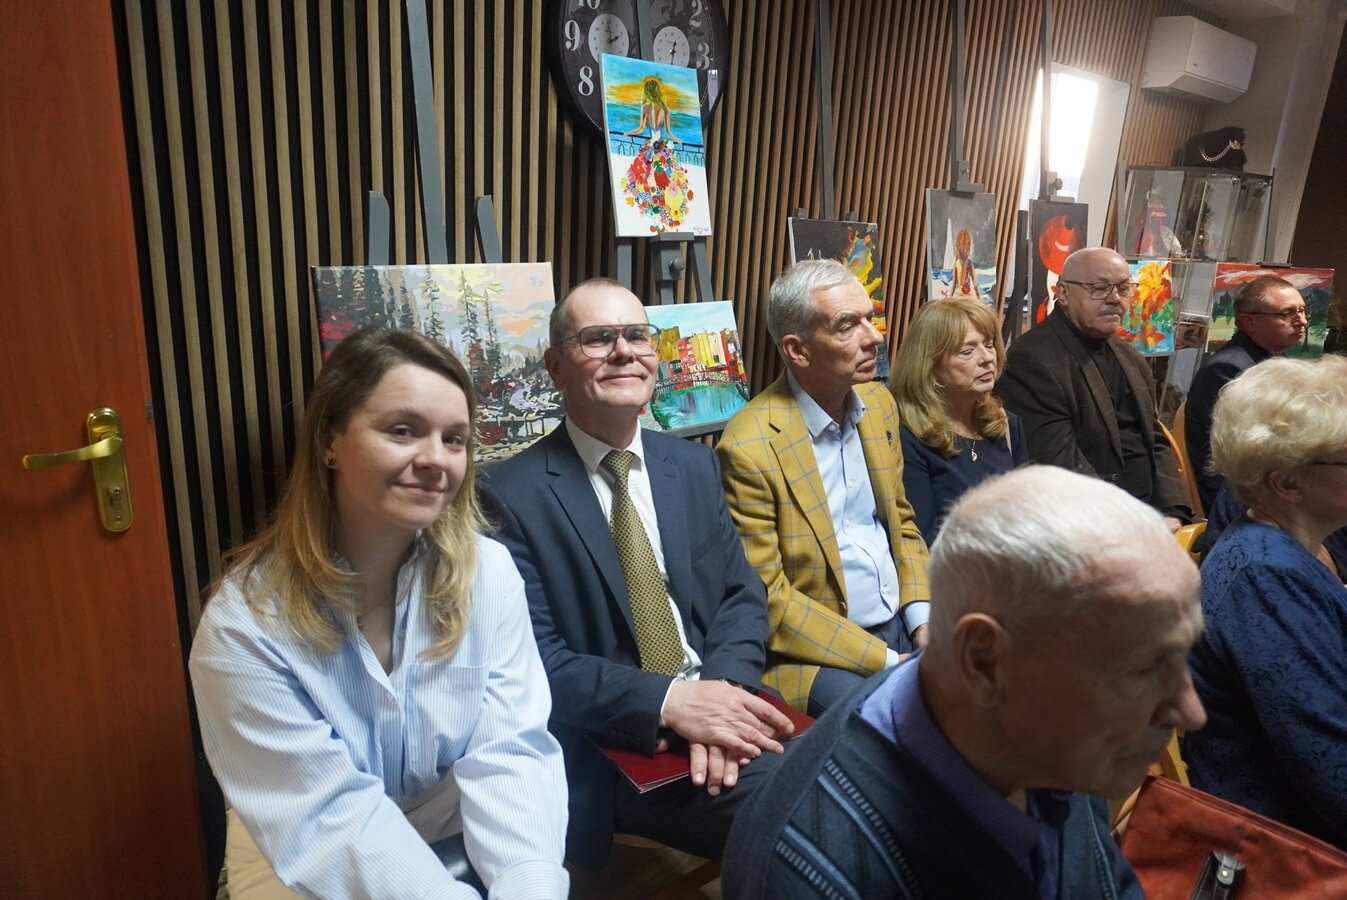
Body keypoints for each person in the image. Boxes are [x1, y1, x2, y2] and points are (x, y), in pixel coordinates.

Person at [190, 327, 569, 899]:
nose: (435, 459)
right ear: (330, 440)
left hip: (448, 824)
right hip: (301, 846)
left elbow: (510, 753)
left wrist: (528, 886)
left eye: (455, 439)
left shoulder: (489, 573)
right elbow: (327, 817)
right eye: (402, 430)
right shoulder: (244, 623)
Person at [722, 465, 1204, 899]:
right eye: (1145, 668)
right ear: (985, 661)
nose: (1191, 713)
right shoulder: (810, 873)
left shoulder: (1057, 742)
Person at [480, 277, 793, 869]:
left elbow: (740, 595)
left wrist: (720, 695)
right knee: (809, 814)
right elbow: (534, 663)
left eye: (637, 335)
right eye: (598, 338)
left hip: (723, 701)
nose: (624, 351)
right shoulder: (507, 496)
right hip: (616, 744)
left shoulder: (694, 466)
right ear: (555, 366)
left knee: (869, 772)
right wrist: (673, 703)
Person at [717, 259, 930, 716]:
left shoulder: (878, 402)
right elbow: (770, 599)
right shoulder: (749, 447)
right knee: (895, 721)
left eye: (870, 318)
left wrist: (923, 620)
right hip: (816, 654)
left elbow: (901, 522)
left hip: (902, 621)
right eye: (848, 326)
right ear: (797, 350)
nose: (874, 337)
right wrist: (890, 662)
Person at [1184, 355, 1347, 849]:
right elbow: (1332, 771)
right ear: (1288, 483)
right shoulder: (1264, 576)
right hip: (1285, 850)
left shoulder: (1298, 544)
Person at [998, 246, 1192, 529]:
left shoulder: (1130, 356)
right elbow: (1059, 469)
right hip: (1090, 525)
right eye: (1099, 288)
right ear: (1063, 293)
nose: (1115, 299)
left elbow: (1154, 439)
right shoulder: (1032, 361)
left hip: (1153, 517)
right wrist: (1138, 526)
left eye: (1123, 288)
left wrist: (1174, 511)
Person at [890, 296, 1028, 542]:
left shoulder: (1006, 424)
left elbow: (1028, 513)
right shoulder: (909, 437)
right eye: (967, 351)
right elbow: (924, 538)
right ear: (930, 365)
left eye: (989, 344)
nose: (987, 358)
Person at [1184, 275, 1307, 513]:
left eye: (1302, 311)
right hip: (1236, 497)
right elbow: (1248, 453)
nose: (1301, 321)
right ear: (1249, 322)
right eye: (1287, 313)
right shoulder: (1227, 369)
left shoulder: (1267, 361)